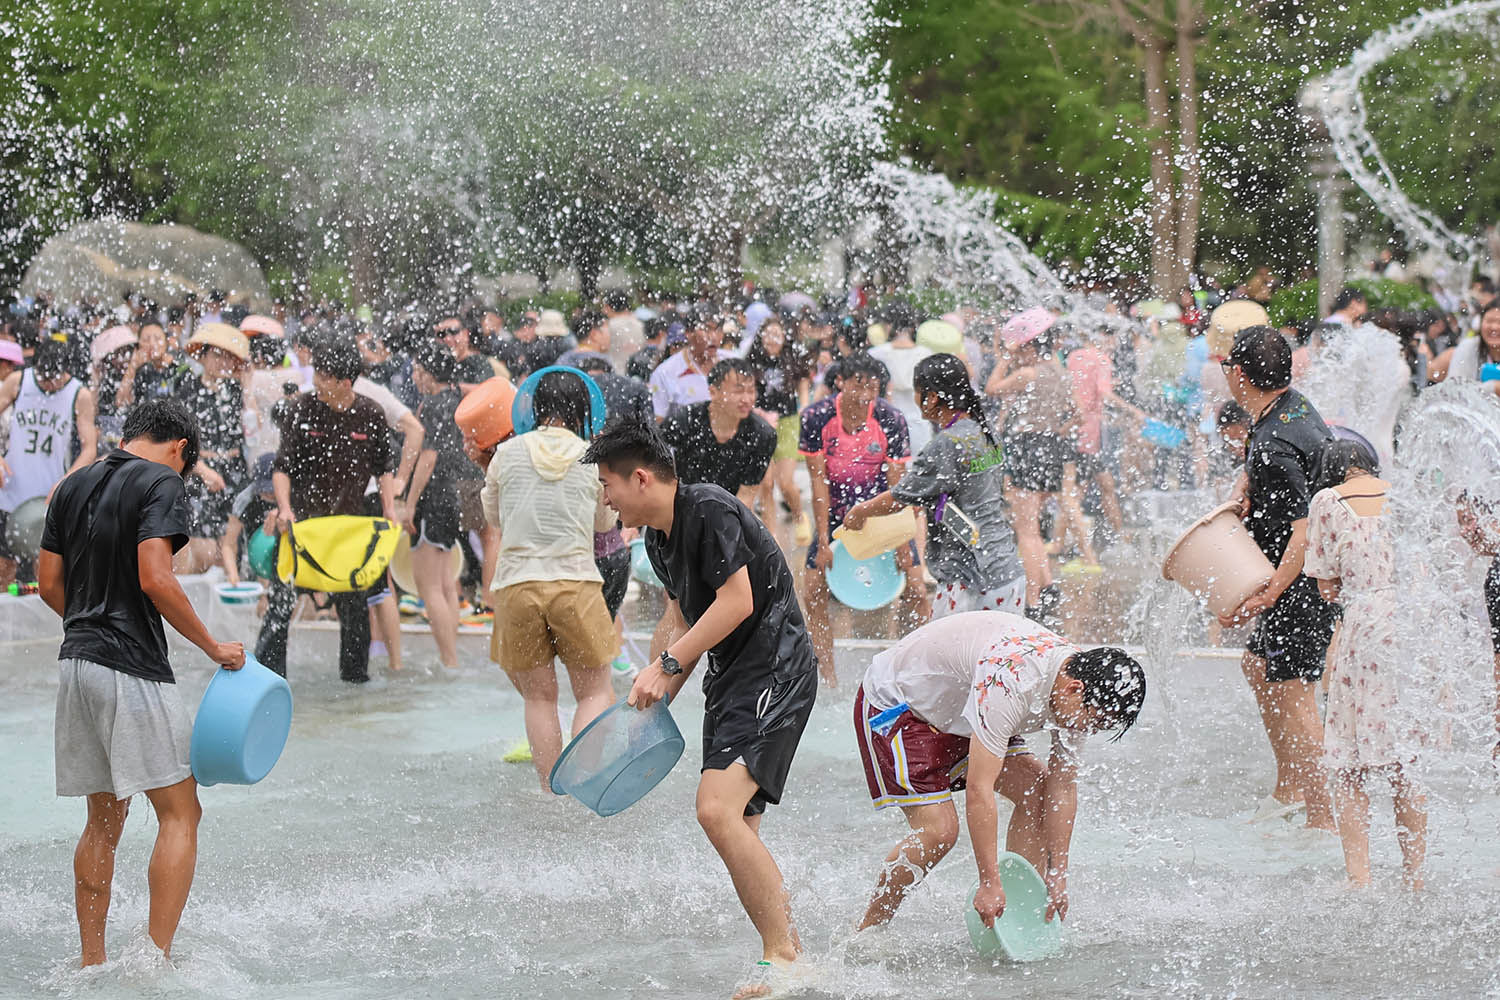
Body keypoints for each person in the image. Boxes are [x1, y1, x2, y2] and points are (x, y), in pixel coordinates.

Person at [585, 419, 818, 1000]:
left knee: (715, 810)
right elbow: (682, 622)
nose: (606, 498)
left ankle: (784, 957)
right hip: (731, 679)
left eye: (608, 484)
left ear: (640, 478)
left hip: (776, 668)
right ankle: (788, 951)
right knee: (736, 827)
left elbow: (737, 602)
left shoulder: (709, 507)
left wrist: (665, 665)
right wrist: (655, 697)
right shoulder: (657, 540)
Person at [36, 398, 245, 966]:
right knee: (181, 812)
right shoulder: (162, 481)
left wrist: (90, 625)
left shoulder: (72, 485)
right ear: (180, 448)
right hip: (130, 667)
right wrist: (212, 646)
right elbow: (156, 577)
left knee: (103, 820)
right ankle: (156, 962)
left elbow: (48, 583)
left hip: (76, 664)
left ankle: (92, 962)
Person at [852, 612, 1144, 931]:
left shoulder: (1081, 687)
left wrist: (1058, 874)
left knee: (1037, 790)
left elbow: (1061, 787)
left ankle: (1014, 915)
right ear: (1075, 689)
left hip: (961, 707)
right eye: (1094, 721)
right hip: (899, 702)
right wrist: (988, 881)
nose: (1089, 730)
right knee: (940, 831)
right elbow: (980, 790)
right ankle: (870, 929)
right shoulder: (1013, 684)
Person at [1219, 325, 1338, 829]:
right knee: (1258, 666)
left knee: (1295, 692)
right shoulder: (1290, 409)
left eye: (1228, 365)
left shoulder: (1274, 441)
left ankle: (1326, 817)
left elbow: (1304, 533)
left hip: (1302, 581)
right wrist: (1247, 485)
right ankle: (1290, 787)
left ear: (1241, 376)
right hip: (1304, 575)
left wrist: (1269, 593)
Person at [482, 369, 616, 786]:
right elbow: (605, 522)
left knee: (540, 698)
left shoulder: (507, 453)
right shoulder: (592, 457)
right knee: (594, 692)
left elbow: (493, 516)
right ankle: (583, 782)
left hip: (516, 585)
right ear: (584, 410)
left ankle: (550, 791)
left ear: (534, 407)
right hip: (575, 583)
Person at [1303, 440, 1426, 888]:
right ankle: (1414, 877)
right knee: (1405, 761)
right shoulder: (1404, 496)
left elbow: (1326, 587)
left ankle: (1360, 879)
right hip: (1411, 628)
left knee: (1348, 762)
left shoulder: (1327, 500)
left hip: (1364, 630)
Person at [842, 354, 1025, 617]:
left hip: (968, 580)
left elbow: (898, 497)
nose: (916, 399)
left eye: (918, 391)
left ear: (933, 397)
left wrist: (861, 512)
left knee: (948, 645)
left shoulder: (946, 444)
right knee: (1000, 645)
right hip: (1007, 571)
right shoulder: (984, 430)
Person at [256, 341, 397, 683]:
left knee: (354, 609)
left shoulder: (371, 414)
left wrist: (390, 510)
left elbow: (384, 468)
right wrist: (284, 508)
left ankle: (354, 686)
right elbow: (282, 468)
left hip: (347, 530)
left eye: (323, 376)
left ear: (345, 382)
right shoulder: (301, 409)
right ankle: (267, 682)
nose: (316, 381)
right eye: (316, 373)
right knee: (280, 604)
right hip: (302, 527)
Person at [799, 352, 927, 680]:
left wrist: (902, 542)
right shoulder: (816, 416)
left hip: (881, 513)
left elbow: (898, 485)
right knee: (812, 592)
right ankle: (826, 678)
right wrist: (823, 539)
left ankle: (913, 674)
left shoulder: (890, 418)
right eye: (859, 384)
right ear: (841, 382)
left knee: (916, 589)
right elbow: (818, 481)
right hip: (837, 515)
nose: (866, 393)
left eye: (873, 385)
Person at [988, 309, 1079, 621]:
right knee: (1035, 527)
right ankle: (1048, 585)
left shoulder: (1028, 374)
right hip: (1051, 448)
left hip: (1027, 449)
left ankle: (1032, 599)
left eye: (1020, 348)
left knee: (1025, 530)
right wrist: (1056, 431)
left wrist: (1005, 356)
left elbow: (991, 388)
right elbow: (1077, 413)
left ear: (1028, 346)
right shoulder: (1063, 374)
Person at [0, 338, 99, 586]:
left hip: (48, 496)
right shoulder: (18, 382)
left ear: (66, 370)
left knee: (45, 575)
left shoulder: (79, 394)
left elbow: (90, 448)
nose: (49, 384)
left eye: (54, 379)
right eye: (43, 378)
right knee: (4, 569)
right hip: (10, 490)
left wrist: (66, 481)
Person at [404, 341, 467, 672]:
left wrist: (410, 503)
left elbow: (427, 458)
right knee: (444, 584)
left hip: (431, 498)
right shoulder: (456, 399)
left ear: (429, 374)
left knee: (428, 587)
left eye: (418, 370)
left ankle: (449, 660)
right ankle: (451, 656)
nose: (415, 376)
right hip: (452, 496)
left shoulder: (431, 405)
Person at [173, 324, 251, 574]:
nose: (222, 362)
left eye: (227, 357)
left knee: (232, 546)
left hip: (235, 471)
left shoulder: (236, 389)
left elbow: (253, 427)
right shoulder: (188, 390)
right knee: (203, 549)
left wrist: (247, 385)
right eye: (216, 355)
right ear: (203, 356)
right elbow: (177, 440)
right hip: (201, 471)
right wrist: (203, 471)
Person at [661, 358, 777, 505]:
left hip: (729, 508)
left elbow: (746, 495)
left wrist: (727, 517)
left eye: (751, 391)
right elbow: (653, 462)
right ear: (713, 392)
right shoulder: (684, 421)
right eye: (738, 391)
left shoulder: (762, 435)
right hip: (683, 504)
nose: (747, 399)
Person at [744, 317, 812, 544]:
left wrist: (804, 405)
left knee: (785, 483)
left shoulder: (790, 359)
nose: (772, 340)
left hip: (787, 423)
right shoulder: (752, 361)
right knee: (765, 484)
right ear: (760, 337)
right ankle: (770, 535)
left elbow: (803, 381)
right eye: (768, 334)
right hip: (759, 423)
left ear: (784, 339)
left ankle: (799, 516)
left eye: (777, 335)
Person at [868, 303, 933, 452]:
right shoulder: (926, 354)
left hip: (887, 422)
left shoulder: (876, 354)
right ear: (912, 326)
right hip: (920, 423)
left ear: (888, 325)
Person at [648, 310, 733, 420]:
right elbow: (658, 420)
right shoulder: (665, 373)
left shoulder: (733, 362)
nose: (714, 337)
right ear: (688, 333)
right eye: (706, 329)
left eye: (718, 330)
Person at [1430, 299, 1500, 391]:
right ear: (1480, 323)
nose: (1494, 327)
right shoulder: (1469, 346)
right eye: (1489, 321)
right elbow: (1455, 389)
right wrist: (1492, 387)